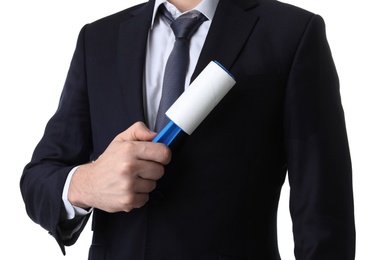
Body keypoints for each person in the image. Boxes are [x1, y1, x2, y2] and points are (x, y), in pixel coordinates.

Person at [20, 0, 356, 259]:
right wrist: (88, 183)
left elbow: (323, 210)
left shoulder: (291, 32)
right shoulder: (98, 38)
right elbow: (38, 179)